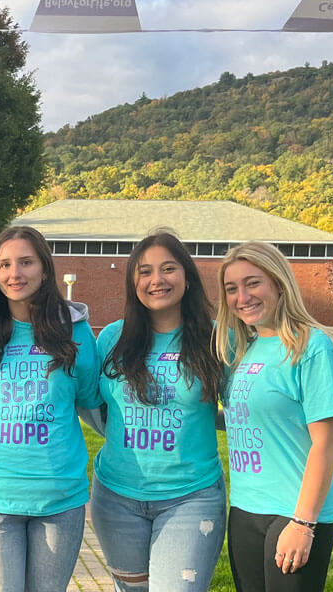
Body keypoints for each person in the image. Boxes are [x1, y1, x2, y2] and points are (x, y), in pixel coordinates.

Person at [0, 226, 101, 592]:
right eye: (4, 264)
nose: (14, 274)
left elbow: (95, 408)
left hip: (60, 497)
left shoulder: (76, 333)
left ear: (45, 269)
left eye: (25, 262)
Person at [90, 230, 228, 591]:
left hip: (191, 498)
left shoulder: (216, 339)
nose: (157, 280)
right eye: (145, 271)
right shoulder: (111, 339)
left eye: (168, 268)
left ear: (187, 276)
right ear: (133, 280)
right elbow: (93, 403)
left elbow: (246, 408)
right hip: (115, 498)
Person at [217, 241, 333, 592]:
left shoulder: (314, 347)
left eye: (252, 283)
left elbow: (326, 442)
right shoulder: (243, 349)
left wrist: (303, 523)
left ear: (278, 282)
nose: (242, 297)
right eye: (232, 289)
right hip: (245, 508)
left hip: (296, 510)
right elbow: (244, 414)